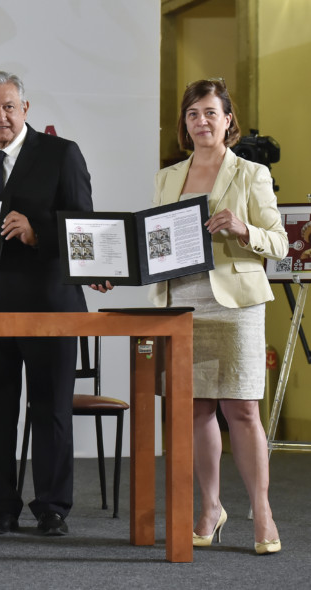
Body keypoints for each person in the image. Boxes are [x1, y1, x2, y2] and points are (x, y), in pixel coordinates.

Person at [0, 71, 110, 536]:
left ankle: (52, 508)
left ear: (26, 108)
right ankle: (1, 506)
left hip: (50, 304)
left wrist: (38, 232)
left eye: (8, 107)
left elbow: (85, 229)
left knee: (52, 410)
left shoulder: (62, 153)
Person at [151, 78, 287, 554]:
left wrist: (242, 227)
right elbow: (156, 242)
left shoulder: (251, 173)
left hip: (235, 305)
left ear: (228, 120)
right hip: (181, 301)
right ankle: (210, 508)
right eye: (193, 114)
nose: (201, 121)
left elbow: (280, 243)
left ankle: (263, 511)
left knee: (243, 409)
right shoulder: (168, 176)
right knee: (195, 408)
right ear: (184, 123)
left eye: (211, 112)